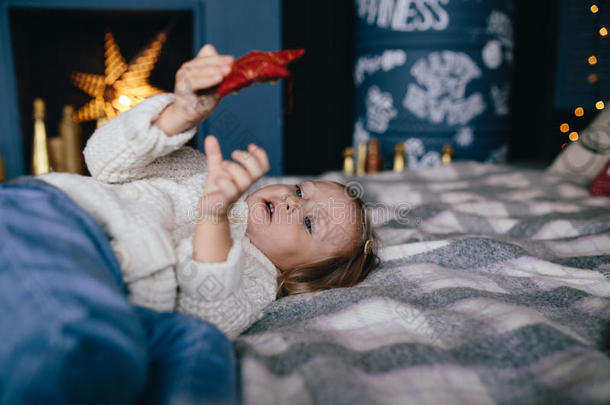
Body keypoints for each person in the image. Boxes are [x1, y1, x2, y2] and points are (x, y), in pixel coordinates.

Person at [37, 44, 379, 340]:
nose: (292, 202)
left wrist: (214, 216)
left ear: (302, 274)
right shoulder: (203, 170)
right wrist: (178, 115)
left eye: (308, 223)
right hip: (52, 207)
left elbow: (209, 315)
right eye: (301, 192)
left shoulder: (256, 276)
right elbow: (102, 161)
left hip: (83, 279)